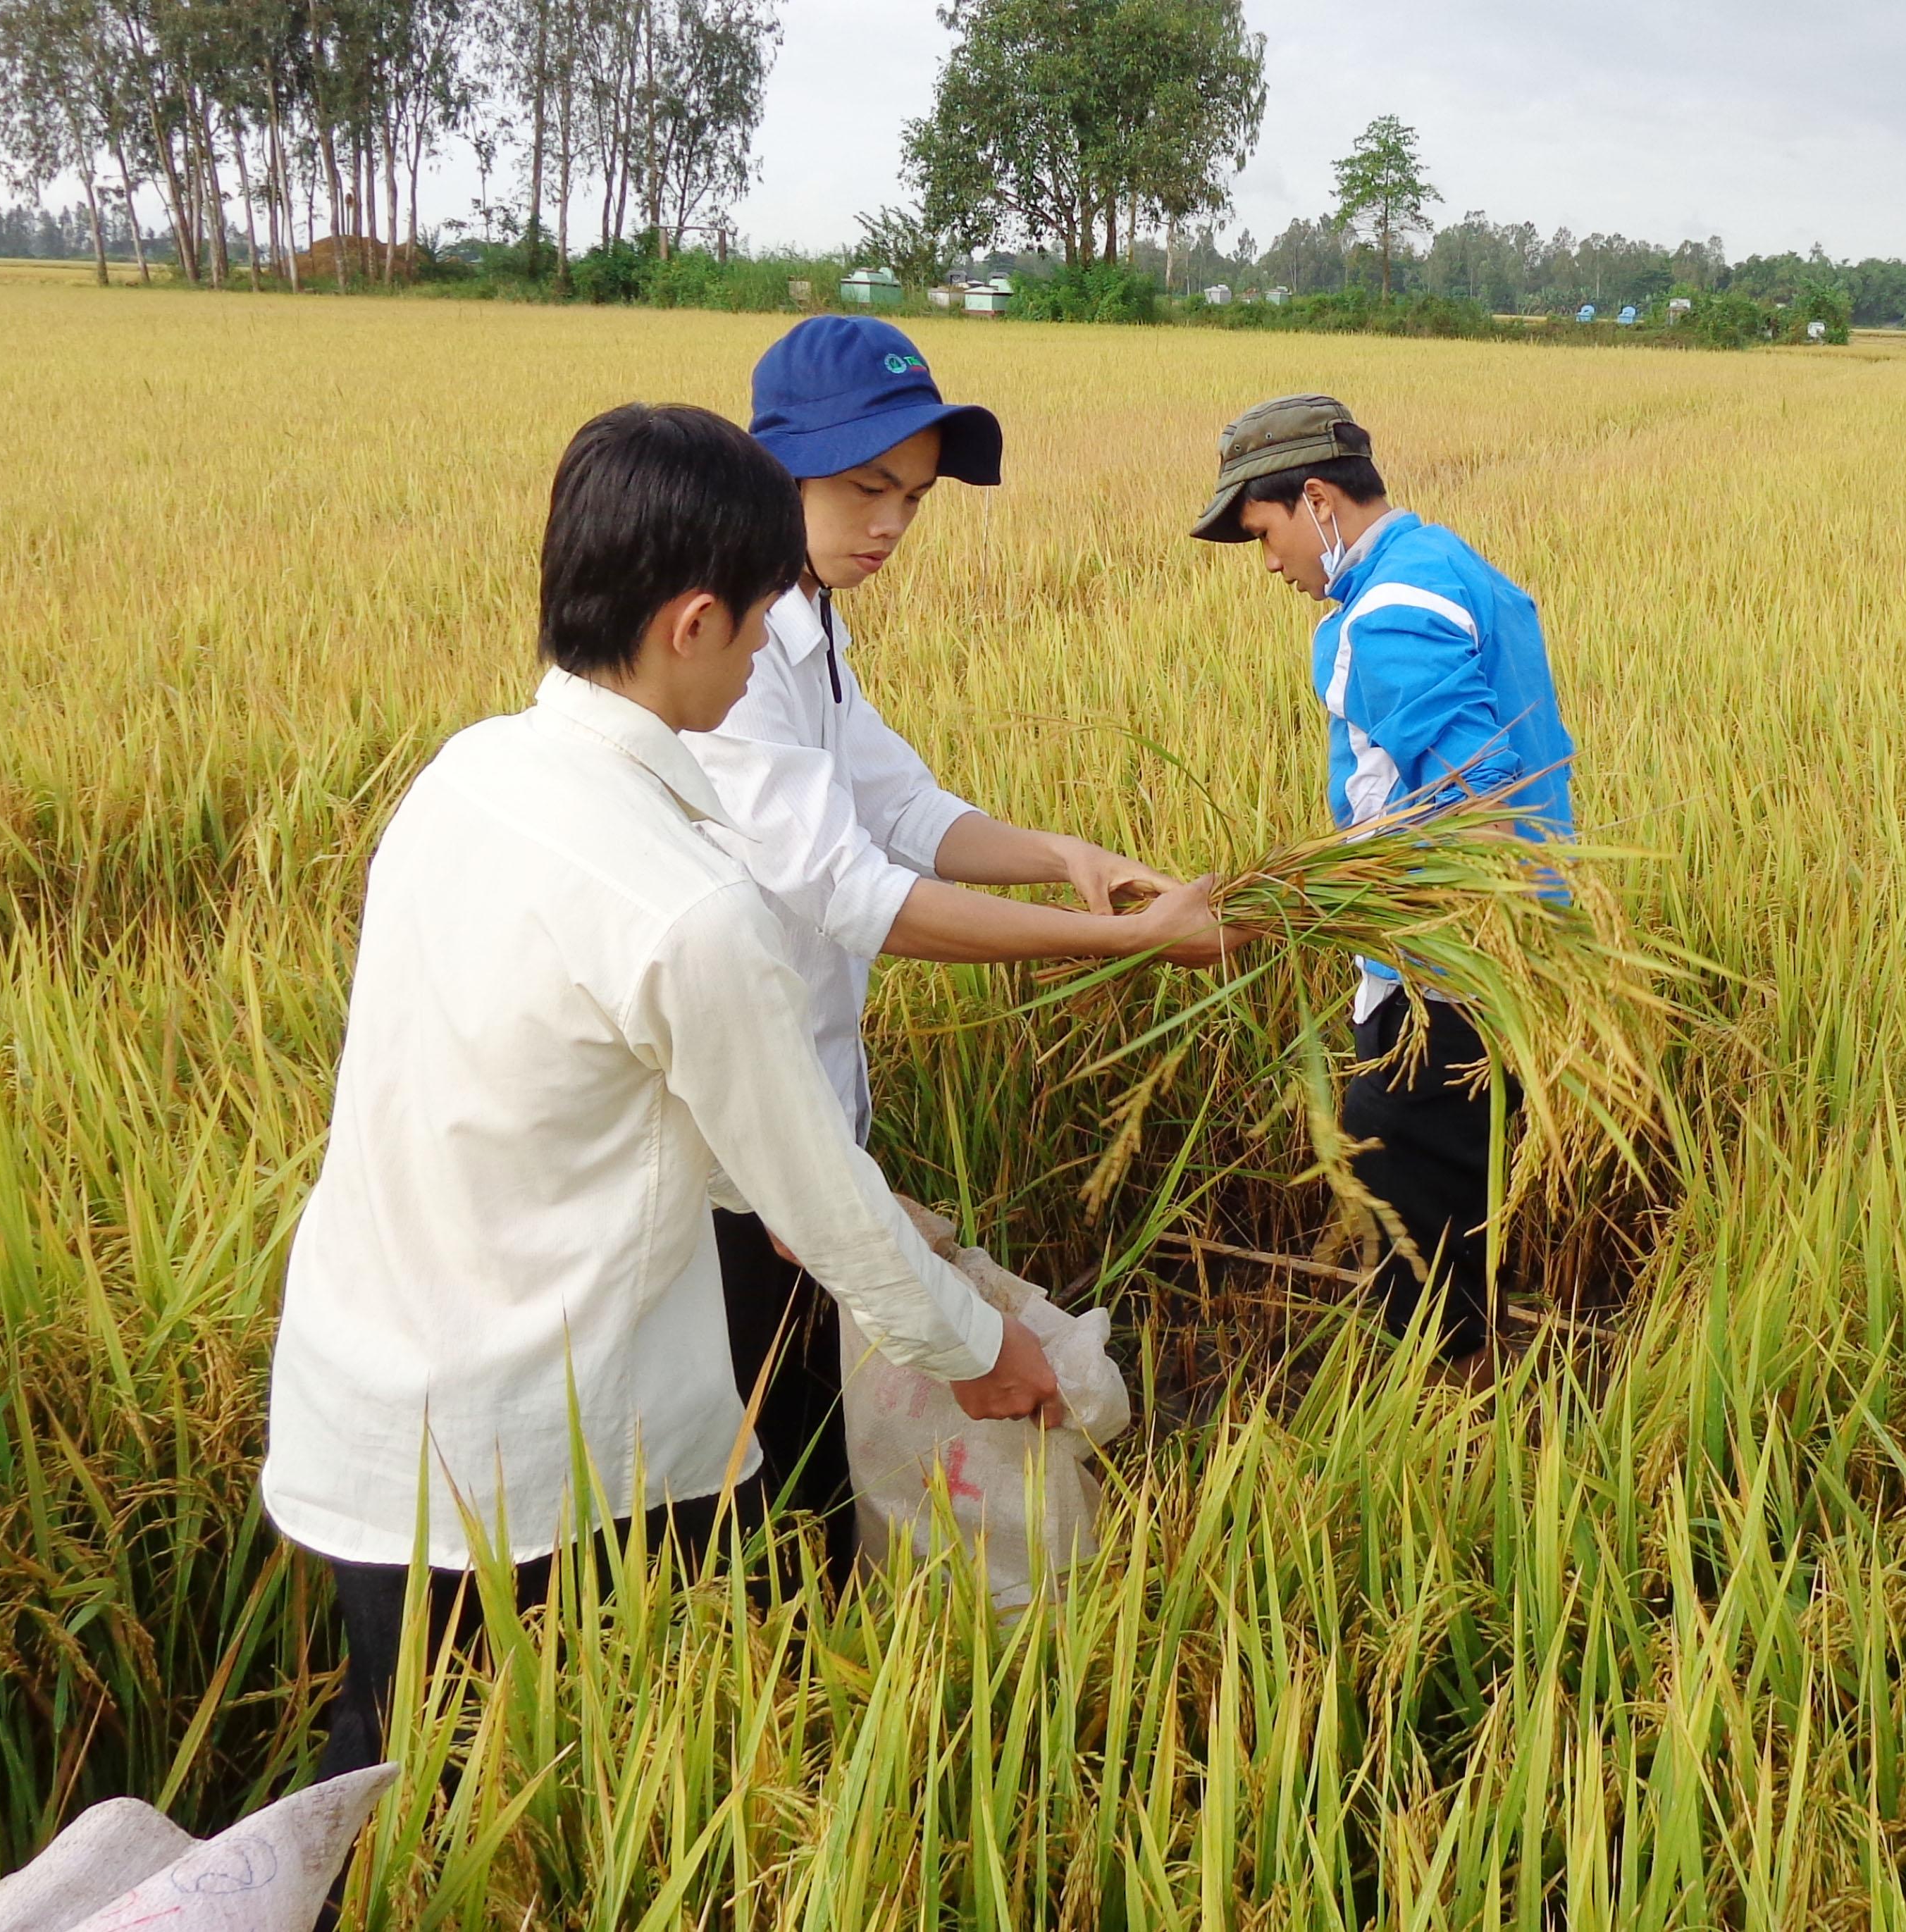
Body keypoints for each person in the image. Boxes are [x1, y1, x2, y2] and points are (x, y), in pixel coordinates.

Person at [260, 402, 1075, 1781]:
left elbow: (570, 1089)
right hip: (533, 1442)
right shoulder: (684, 905)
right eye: (758, 623)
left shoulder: (464, 777)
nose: (767, 650)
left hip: (370, 1392)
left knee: (394, 1760)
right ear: (694, 623)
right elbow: (811, 1189)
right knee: (559, 1779)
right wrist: (979, 1347)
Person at [683, 315, 1237, 1581]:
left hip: (807, 1123)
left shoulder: (809, 624)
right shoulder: (737, 651)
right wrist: (1133, 945)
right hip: (731, 1151)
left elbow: (906, 811)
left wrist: (1069, 858)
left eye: (913, 501)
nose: (890, 525)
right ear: (778, 467)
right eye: (867, 487)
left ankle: (829, 1636)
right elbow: (851, 890)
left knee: (811, 1447)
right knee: (755, 1472)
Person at [1189, 395, 1576, 1373]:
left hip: (1439, 973)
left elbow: (1480, 791)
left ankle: (1432, 1423)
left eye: (1265, 532)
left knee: (1413, 1207)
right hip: (1501, 960)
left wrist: (1334, 890)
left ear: (1316, 499)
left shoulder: (1389, 612)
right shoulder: (1448, 563)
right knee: (1453, 1195)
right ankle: (1455, 1382)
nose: (1269, 562)